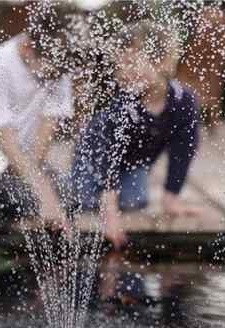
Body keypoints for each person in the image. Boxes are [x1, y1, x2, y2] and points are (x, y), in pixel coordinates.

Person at [71, 20, 202, 249]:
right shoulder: (122, 103)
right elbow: (106, 157)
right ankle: (68, 186)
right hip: (93, 161)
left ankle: (108, 196)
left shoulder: (183, 101)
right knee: (83, 199)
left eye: (131, 62)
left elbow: (183, 151)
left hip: (133, 164)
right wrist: (109, 214)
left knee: (135, 201)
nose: (123, 72)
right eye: (119, 65)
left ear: (162, 62)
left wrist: (171, 198)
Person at [0, 6, 74, 231]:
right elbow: (7, 143)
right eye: (49, 70)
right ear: (27, 46)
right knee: (20, 201)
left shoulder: (59, 62)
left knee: (70, 197)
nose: (54, 77)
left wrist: (44, 189)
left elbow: (44, 133)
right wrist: (42, 192)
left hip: (23, 163)